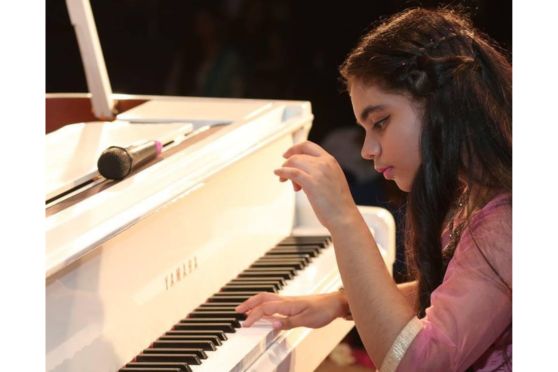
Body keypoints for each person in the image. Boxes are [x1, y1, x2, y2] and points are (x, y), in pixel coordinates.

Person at [235, 7, 512, 372]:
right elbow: (462, 293)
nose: (368, 150)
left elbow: (417, 364)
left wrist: (345, 219)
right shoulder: (482, 193)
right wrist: (339, 303)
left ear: (442, 104)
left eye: (380, 122)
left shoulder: (505, 222)